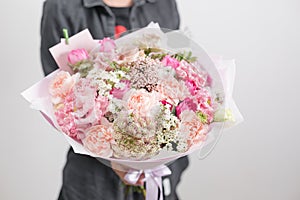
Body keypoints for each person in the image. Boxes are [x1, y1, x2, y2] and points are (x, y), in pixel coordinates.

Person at [40, 0, 189, 199]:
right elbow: (59, 96)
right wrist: (115, 157)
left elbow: (174, 74)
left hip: (159, 175)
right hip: (92, 183)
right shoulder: (62, 6)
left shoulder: (163, 3)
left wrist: (152, 153)